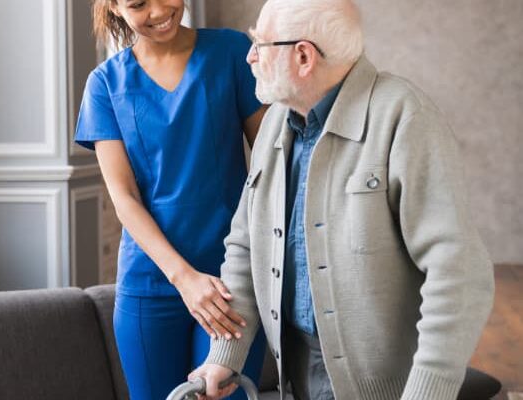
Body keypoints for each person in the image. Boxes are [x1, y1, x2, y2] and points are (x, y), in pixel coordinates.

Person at [187, 0, 495, 399]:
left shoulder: (404, 117)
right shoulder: (276, 121)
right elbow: (246, 246)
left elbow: (459, 274)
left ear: (303, 56)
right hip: (295, 374)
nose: (250, 56)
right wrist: (224, 355)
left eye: (260, 43)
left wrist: (428, 393)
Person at [74, 1, 270, 398]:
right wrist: (185, 279)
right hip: (149, 284)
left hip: (232, 282)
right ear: (114, 6)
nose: (160, 10)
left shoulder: (231, 52)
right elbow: (124, 197)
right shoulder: (105, 83)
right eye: (138, 3)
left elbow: (271, 167)